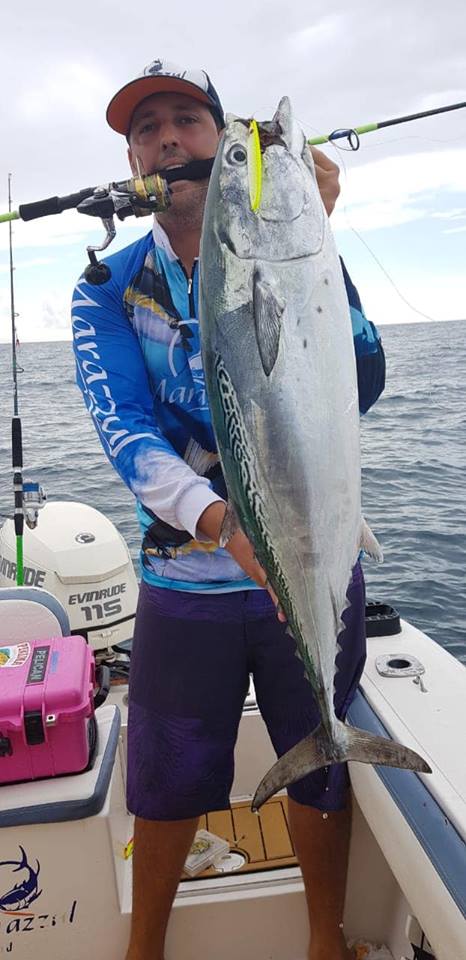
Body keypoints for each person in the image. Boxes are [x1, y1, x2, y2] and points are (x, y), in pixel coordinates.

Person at [71, 59, 385, 960]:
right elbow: (127, 435)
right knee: (164, 784)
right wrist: (222, 526)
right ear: (132, 160)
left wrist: (317, 237)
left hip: (319, 561)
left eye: (187, 119)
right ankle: (145, 949)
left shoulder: (298, 247)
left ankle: (325, 942)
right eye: (146, 128)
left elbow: (362, 381)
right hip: (184, 581)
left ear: (219, 140)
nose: (168, 137)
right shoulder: (107, 288)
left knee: (321, 770)